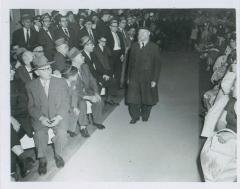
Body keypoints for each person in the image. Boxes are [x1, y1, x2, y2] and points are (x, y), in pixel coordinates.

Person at [26, 55, 69, 175]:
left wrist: (59, 116)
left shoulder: (61, 82)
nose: (49, 71)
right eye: (45, 69)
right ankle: (42, 159)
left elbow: (66, 102)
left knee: (61, 133)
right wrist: (41, 118)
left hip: (58, 115)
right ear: (37, 72)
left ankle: (58, 154)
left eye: (49, 68)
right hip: (41, 118)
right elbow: (31, 107)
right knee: (39, 134)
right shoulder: (30, 86)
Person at [126, 27, 161, 124]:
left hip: (148, 77)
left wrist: (155, 80)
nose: (140, 35)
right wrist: (128, 77)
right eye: (139, 33)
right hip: (134, 76)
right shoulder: (134, 46)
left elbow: (157, 65)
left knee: (147, 98)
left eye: (143, 33)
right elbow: (130, 64)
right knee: (133, 99)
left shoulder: (154, 47)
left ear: (148, 34)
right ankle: (135, 116)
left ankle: (145, 115)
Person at [68, 47, 106, 133]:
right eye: (81, 56)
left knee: (99, 100)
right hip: (76, 95)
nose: (84, 57)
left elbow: (92, 80)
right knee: (82, 104)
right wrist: (88, 97)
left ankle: (97, 121)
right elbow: (73, 91)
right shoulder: (69, 71)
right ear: (74, 59)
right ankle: (83, 126)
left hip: (87, 91)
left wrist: (96, 93)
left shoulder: (85, 66)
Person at [92, 36, 119, 105]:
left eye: (105, 41)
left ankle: (108, 99)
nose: (104, 43)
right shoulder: (95, 49)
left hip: (108, 69)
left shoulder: (106, 48)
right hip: (100, 71)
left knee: (112, 83)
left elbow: (111, 58)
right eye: (103, 41)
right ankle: (98, 102)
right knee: (101, 85)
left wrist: (111, 69)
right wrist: (102, 73)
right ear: (99, 41)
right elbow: (96, 63)